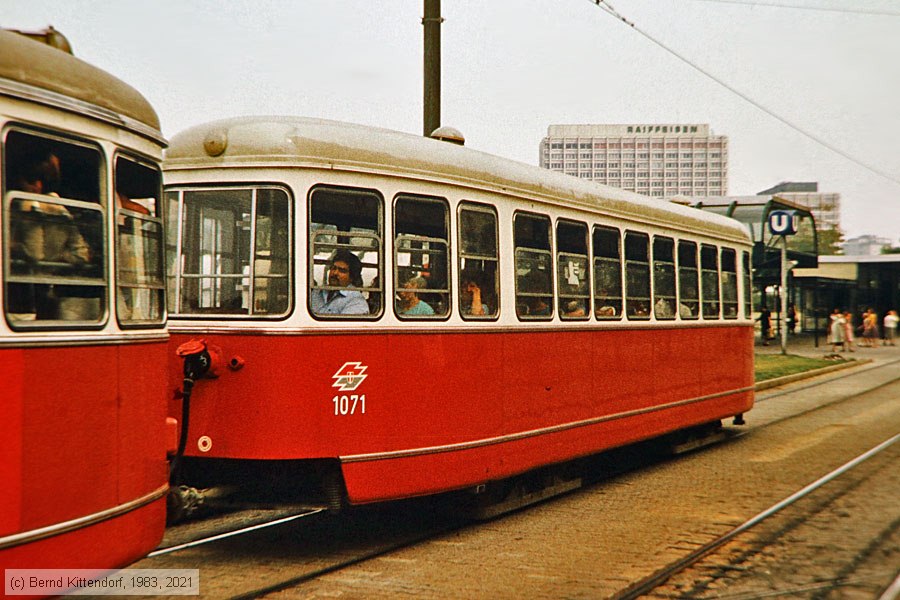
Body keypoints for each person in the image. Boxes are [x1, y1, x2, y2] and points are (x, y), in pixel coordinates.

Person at [310, 249, 368, 315]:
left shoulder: (357, 301)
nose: (335, 273)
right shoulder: (317, 292)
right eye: (333, 268)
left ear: (352, 277)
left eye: (342, 271)